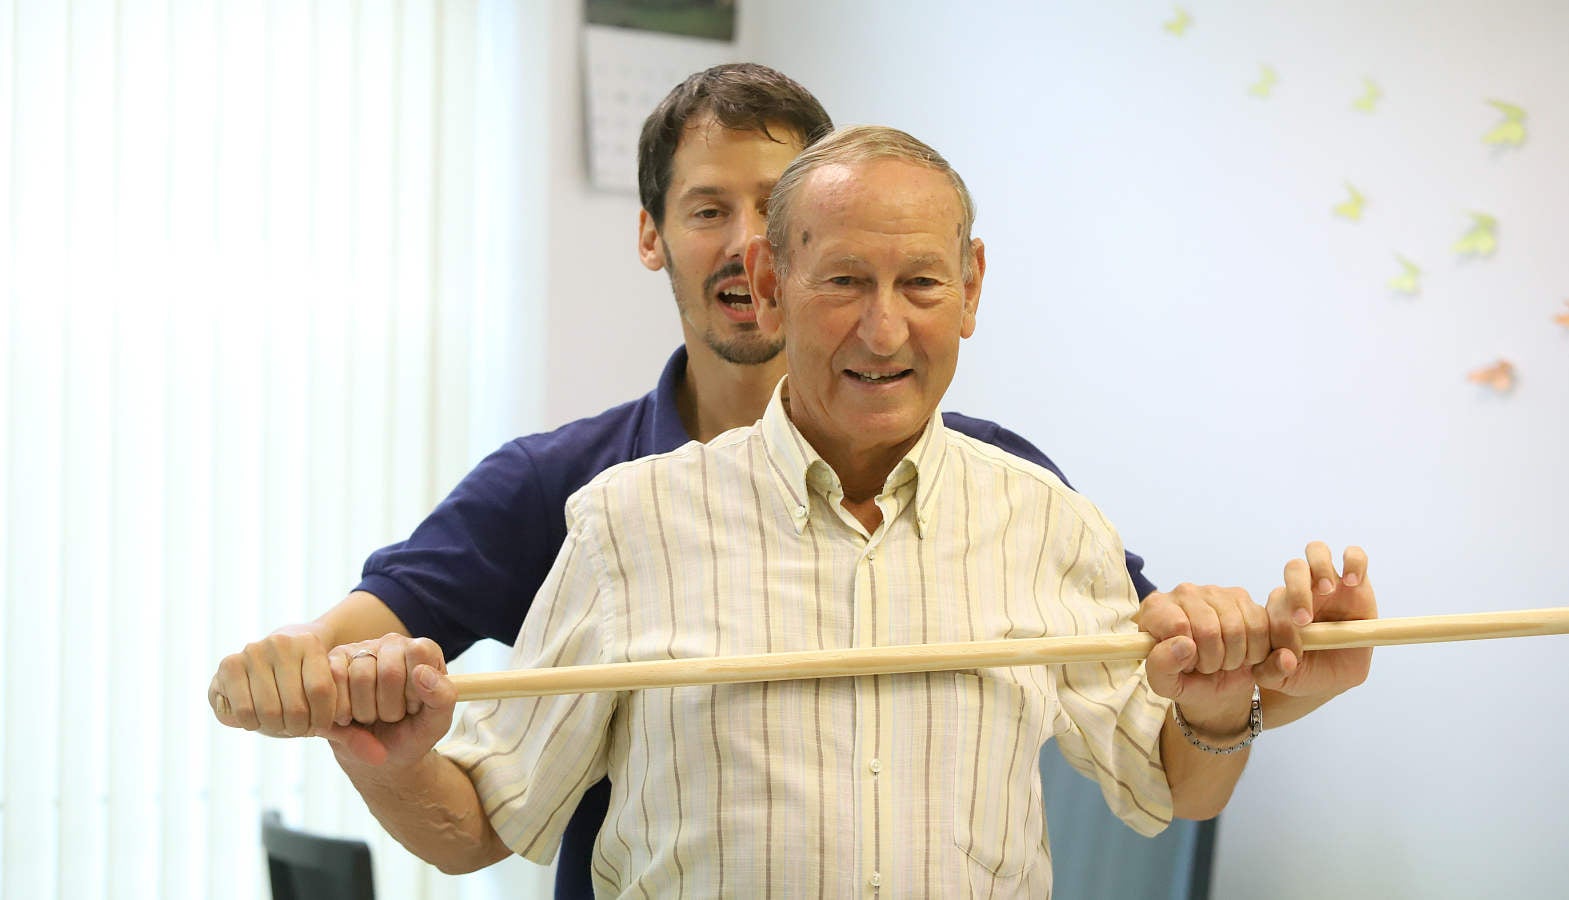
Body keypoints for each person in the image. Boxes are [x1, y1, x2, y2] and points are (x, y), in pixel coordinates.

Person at [312, 125, 1375, 896]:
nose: (884, 329)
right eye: (845, 282)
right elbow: (476, 827)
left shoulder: (1046, 522)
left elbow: (1176, 786)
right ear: (773, 284)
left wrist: (1224, 704)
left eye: (921, 284)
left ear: (972, 288)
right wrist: (392, 754)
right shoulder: (627, 524)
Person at [207, 64, 1157, 897]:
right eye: (708, 209)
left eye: (774, 203)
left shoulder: (1004, 486)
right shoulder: (580, 495)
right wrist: (298, 665)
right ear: (652, 234)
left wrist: (1264, 663)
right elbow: (353, 656)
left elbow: (1169, 688)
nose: (745, 245)